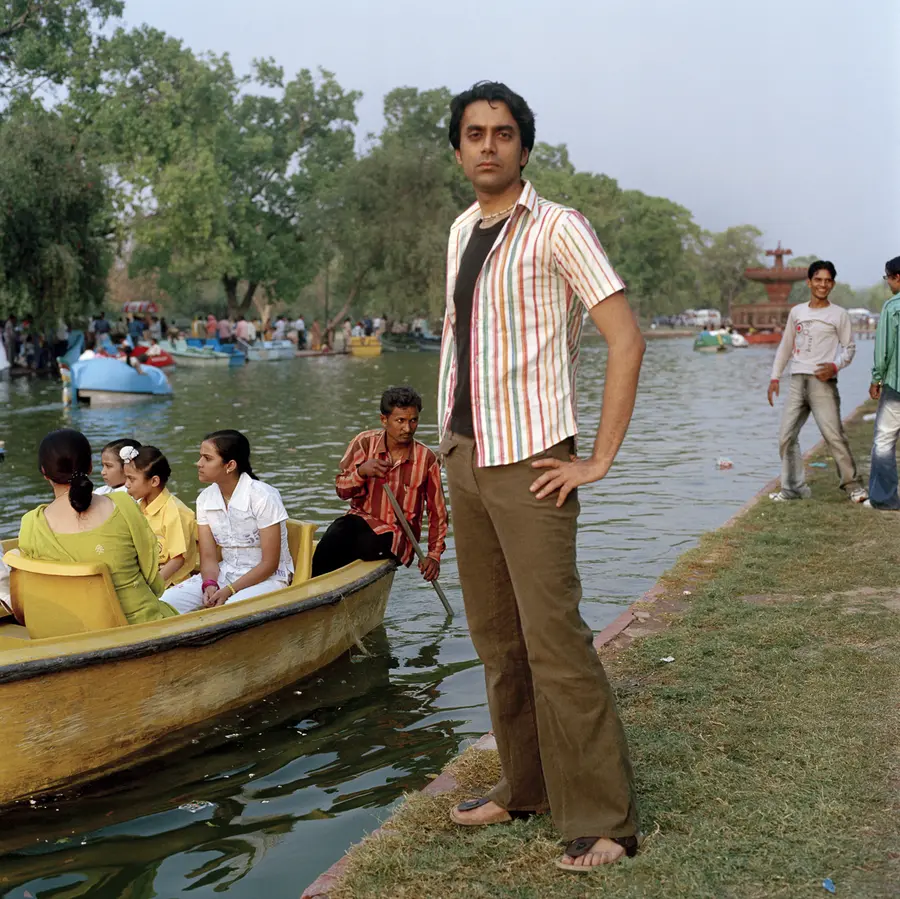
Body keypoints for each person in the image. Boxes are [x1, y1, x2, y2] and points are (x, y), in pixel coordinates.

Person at [437, 82, 644, 872]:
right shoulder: (462, 229)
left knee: (555, 642)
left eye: (503, 132)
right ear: (458, 149)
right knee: (497, 639)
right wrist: (440, 443)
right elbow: (466, 345)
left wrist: (597, 458)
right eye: (473, 133)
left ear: (524, 146)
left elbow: (624, 339)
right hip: (465, 455)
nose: (487, 144)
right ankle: (524, 785)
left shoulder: (559, 228)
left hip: (533, 464)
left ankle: (604, 820)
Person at [17, 429, 176, 625]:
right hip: (141, 624)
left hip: (69, 630)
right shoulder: (124, 505)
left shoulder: (31, 524)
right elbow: (152, 577)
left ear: (44, 472)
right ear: (90, 467)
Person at [312, 386, 448, 580]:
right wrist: (361, 472)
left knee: (358, 541)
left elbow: (438, 513)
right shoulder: (364, 443)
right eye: (400, 421)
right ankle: (313, 586)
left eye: (413, 421)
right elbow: (342, 491)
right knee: (336, 532)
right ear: (384, 420)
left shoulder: (426, 459)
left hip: (397, 537)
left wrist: (433, 556)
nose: (408, 429)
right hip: (359, 522)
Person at [767, 260, 867, 503]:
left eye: (828, 280)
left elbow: (849, 349)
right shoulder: (797, 312)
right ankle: (793, 489)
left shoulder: (838, 314)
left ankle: (853, 486)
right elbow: (786, 346)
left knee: (834, 435)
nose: (823, 284)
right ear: (809, 282)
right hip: (796, 380)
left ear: (832, 283)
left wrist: (835, 366)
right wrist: (775, 376)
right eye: (818, 280)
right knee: (786, 436)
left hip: (822, 382)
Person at [161, 430, 293, 613]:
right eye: (200, 457)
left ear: (230, 465)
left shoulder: (263, 496)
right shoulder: (205, 499)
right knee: (164, 603)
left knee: (229, 610)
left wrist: (229, 591)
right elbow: (208, 557)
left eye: (207, 458)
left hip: (269, 578)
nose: (199, 464)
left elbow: (269, 563)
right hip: (225, 573)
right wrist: (209, 584)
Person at [123, 445, 198, 585]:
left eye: (131, 479)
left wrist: (150, 587)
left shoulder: (174, 512)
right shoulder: (139, 507)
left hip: (172, 584)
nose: (126, 484)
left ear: (154, 481)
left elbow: (178, 559)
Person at [866, 255, 900, 510]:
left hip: (896, 385)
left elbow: (884, 349)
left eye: (887, 277)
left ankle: (884, 498)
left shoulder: (892, 307)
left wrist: (876, 378)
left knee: (885, 441)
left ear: (896, 277)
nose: (888, 283)